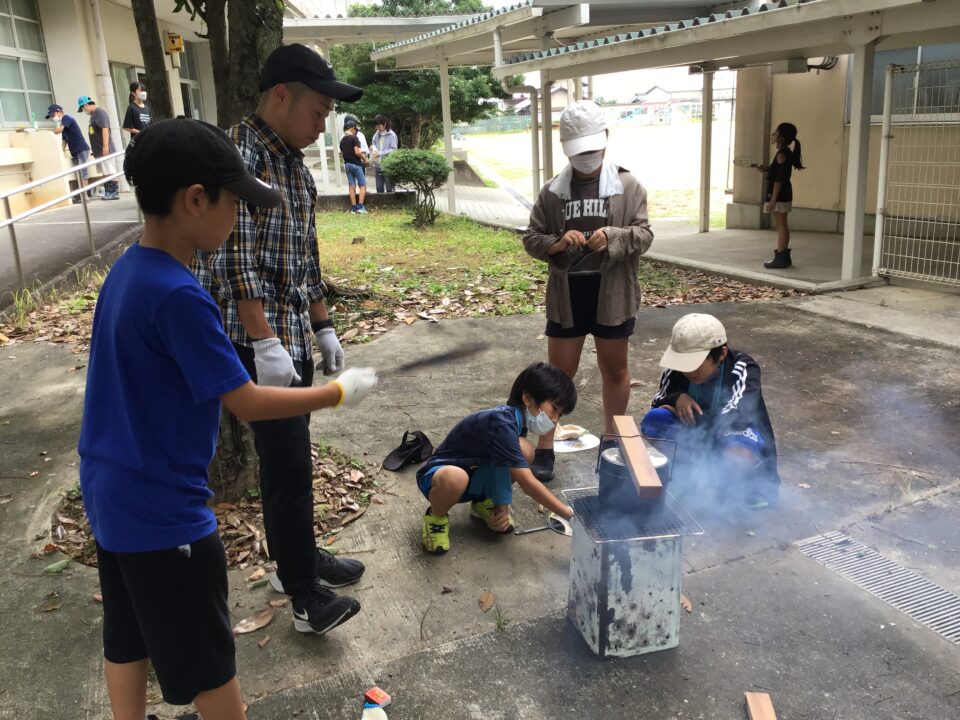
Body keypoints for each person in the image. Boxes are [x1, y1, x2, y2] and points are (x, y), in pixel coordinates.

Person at [78, 118, 378, 720]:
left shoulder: (127, 271)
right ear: (195, 200)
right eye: (234, 202)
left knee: (128, 635)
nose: (239, 215)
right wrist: (335, 394)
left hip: (111, 494)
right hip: (165, 514)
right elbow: (246, 401)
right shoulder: (180, 295)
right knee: (212, 668)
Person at [196, 42, 371, 636]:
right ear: (280, 96)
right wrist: (263, 343)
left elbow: (306, 256)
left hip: (290, 331)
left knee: (289, 459)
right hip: (253, 338)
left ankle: (296, 559)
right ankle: (303, 595)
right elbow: (234, 256)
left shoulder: (294, 163)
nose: (324, 125)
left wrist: (323, 325)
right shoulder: (237, 154)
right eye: (318, 111)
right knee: (287, 457)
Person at [522, 100, 654, 482]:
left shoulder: (628, 186)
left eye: (591, 150)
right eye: (577, 152)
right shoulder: (552, 192)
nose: (585, 159)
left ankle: (613, 441)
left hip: (613, 293)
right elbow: (531, 237)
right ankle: (545, 446)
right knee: (558, 375)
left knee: (615, 369)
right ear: (565, 147)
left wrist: (613, 236)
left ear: (606, 139)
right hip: (569, 296)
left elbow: (644, 234)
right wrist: (557, 243)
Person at [417, 362, 577, 555]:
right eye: (554, 409)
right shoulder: (501, 423)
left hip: (474, 474)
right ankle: (436, 518)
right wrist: (569, 514)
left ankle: (483, 502)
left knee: (525, 450)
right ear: (527, 398)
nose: (555, 419)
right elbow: (527, 482)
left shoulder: (516, 422)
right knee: (456, 477)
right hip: (440, 476)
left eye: (560, 414)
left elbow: (503, 463)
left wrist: (501, 508)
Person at [640, 313, 780, 508]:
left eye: (695, 363)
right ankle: (686, 478)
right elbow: (658, 402)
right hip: (700, 436)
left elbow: (738, 415)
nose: (689, 372)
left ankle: (744, 488)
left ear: (721, 353)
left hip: (735, 433)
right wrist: (677, 398)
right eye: (684, 364)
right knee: (656, 420)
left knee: (737, 450)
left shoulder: (742, 367)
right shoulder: (676, 369)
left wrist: (696, 424)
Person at [757, 122, 804, 269]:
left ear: (781, 137)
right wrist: (765, 169)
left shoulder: (782, 154)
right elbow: (777, 172)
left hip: (779, 194)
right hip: (784, 193)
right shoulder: (785, 152)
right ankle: (784, 257)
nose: (773, 135)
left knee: (781, 225)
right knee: (782, 225)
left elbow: (779, 179)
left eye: (776, 133)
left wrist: (773, 200)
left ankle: (781, 257)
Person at [46, 103, 90, 202]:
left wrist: (48, 133)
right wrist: (61, 152)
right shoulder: (64, 124)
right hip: (76, 150)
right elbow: (64, 140)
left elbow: (60, 130)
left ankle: (85, 196)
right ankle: (82, 195)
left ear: (59, 112)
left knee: (83, 172)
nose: (53, 118)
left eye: (53, 115)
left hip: (81, 148)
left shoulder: (67, 118)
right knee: (79, 173)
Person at [78, 95, 119, 200]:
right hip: (99, 150)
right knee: (105, 171)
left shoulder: (99, 112)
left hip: (105, 149)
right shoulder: (93, 115)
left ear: (86, 105)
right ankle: (108, 191)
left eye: (83, 108)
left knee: (109, 170)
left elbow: (105, 128)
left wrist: (105, 146)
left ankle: (113, 192)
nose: (84, 111)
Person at [340, 118, 368, 213]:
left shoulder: (342, 140)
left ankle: (354, 207)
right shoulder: (354, 138)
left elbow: (344, 152)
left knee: (351, 185)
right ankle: (361, 206)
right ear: (352, 128)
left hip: (347, 165)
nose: (356, 131)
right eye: (355, 129)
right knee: (362, 185)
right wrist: (365, 159)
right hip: (356, 164)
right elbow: (357, 152)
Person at [370, 114, 398, 193]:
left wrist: (380, 153)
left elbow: (394, 150)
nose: (377, 128)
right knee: (379, 188)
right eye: (376, 126)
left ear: (385, 124)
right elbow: (374, 145)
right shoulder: (376, 135)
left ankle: (391, 200)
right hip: (377, 164)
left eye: (379, 126)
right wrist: (372, 148)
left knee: (389, 188)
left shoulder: (392, 135)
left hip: (388, 165)